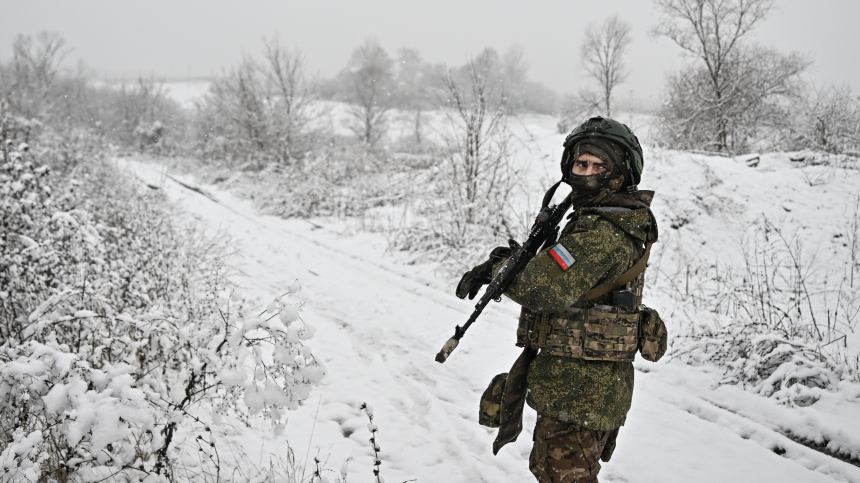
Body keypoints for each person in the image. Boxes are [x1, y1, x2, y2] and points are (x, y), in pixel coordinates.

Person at [457, 116, 666, 483]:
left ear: (622, 171)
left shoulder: (601, 231)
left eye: (599, 165)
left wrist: (498, 268)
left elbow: (541, 288)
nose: (586, 172)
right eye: (580, 163)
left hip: (579, 394)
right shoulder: (610, 218)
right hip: (583, 386)